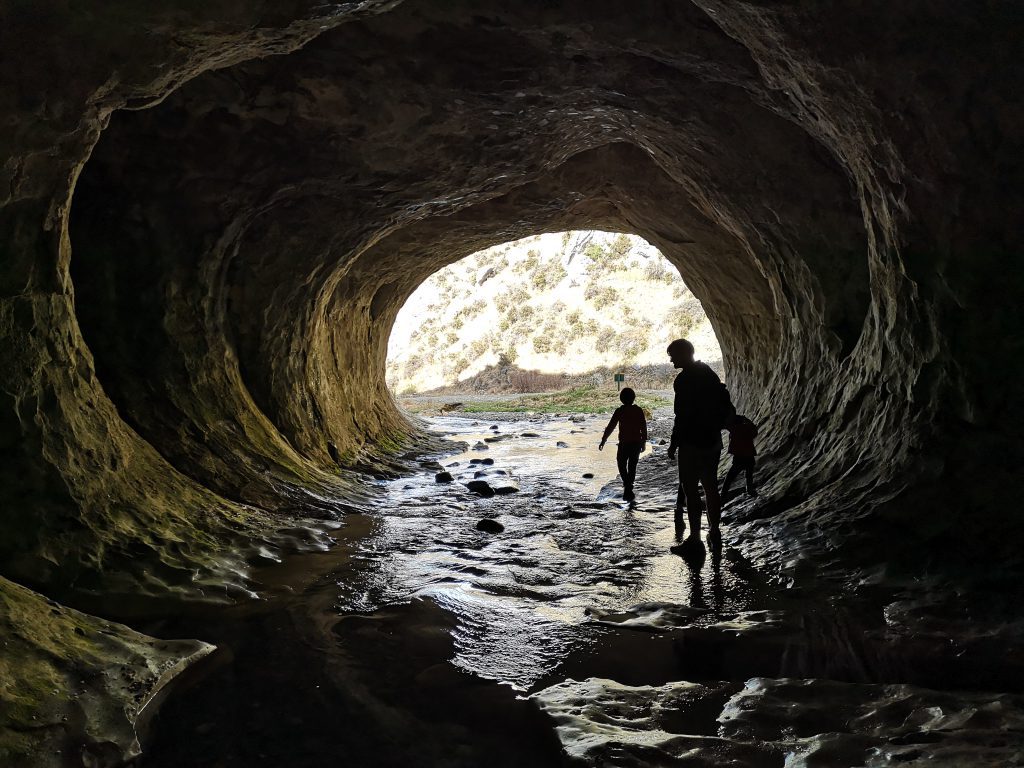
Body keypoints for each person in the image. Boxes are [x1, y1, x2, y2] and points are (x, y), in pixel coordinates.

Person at [666, 338, 733, 546]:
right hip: (712, 439)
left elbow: (682, 415)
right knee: (711, 487)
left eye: (673, 356)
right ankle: (714, 532)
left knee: (690, 489)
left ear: (683, 354)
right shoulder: (708, 373)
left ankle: (695, 538)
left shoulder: (683, 380)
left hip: (691, 441)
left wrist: (674, 442)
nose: (671, 360)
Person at [599, 387, 648, 502]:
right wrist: (643, 442)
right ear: (633, 398)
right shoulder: (638, 410)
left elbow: (611, 426)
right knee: (632, 466)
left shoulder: (620, 411)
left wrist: (604, 440)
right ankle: (629, 485)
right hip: (636, 443)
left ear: (621, 399)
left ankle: (627, 484)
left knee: (621, 463)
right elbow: (643, 427)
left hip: (624, 444)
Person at [721, 414, 758, 500]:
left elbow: (724, 425)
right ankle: (750, 490)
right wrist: (747, 420)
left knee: (728, 480)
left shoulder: (734, 429)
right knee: (749, 476)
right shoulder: (748, 428)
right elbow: (754, 431)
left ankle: (722, 497)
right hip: (750, 457)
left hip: (739, 459)